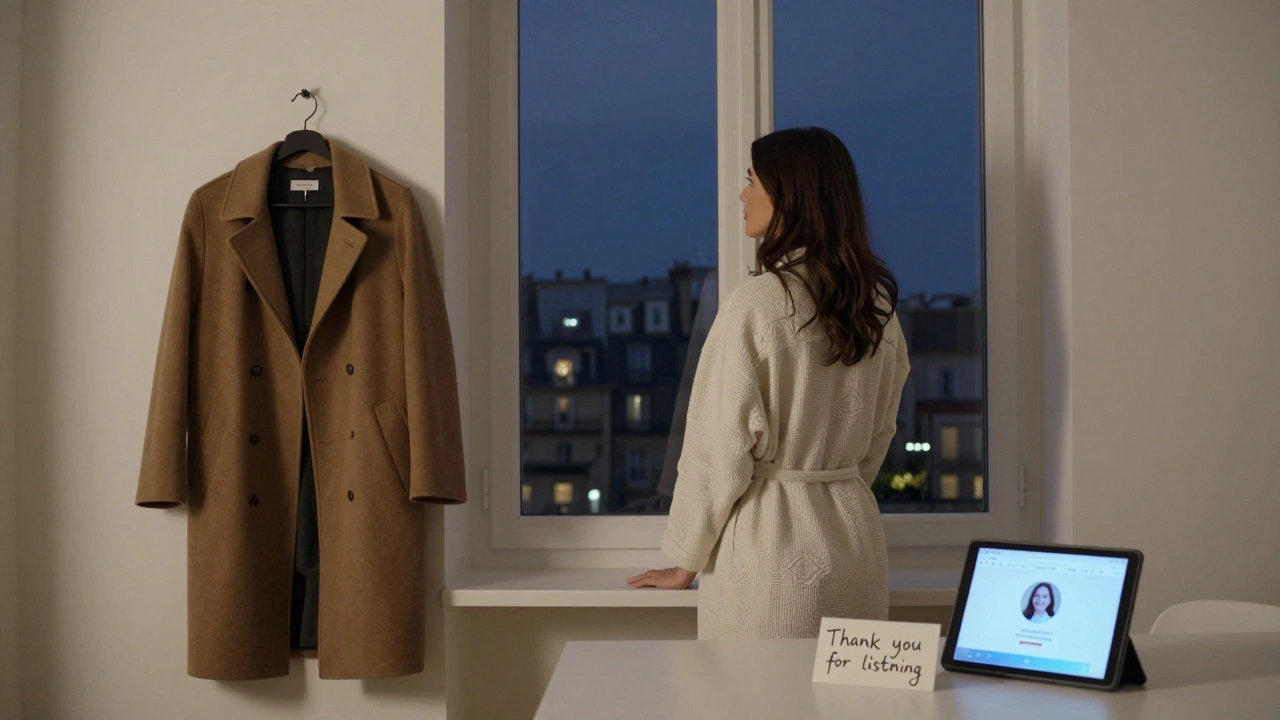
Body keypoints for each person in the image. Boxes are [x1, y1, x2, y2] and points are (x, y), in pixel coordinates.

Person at [627, 127, 911, 640]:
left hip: (768, 561)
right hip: (855, 547)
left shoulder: (756, 305)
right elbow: (879, 436)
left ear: (791, 196)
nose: (742, 195)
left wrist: (685, 562)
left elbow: (717, 451)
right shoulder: (878, 310)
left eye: (752, 181)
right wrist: (831, 483)